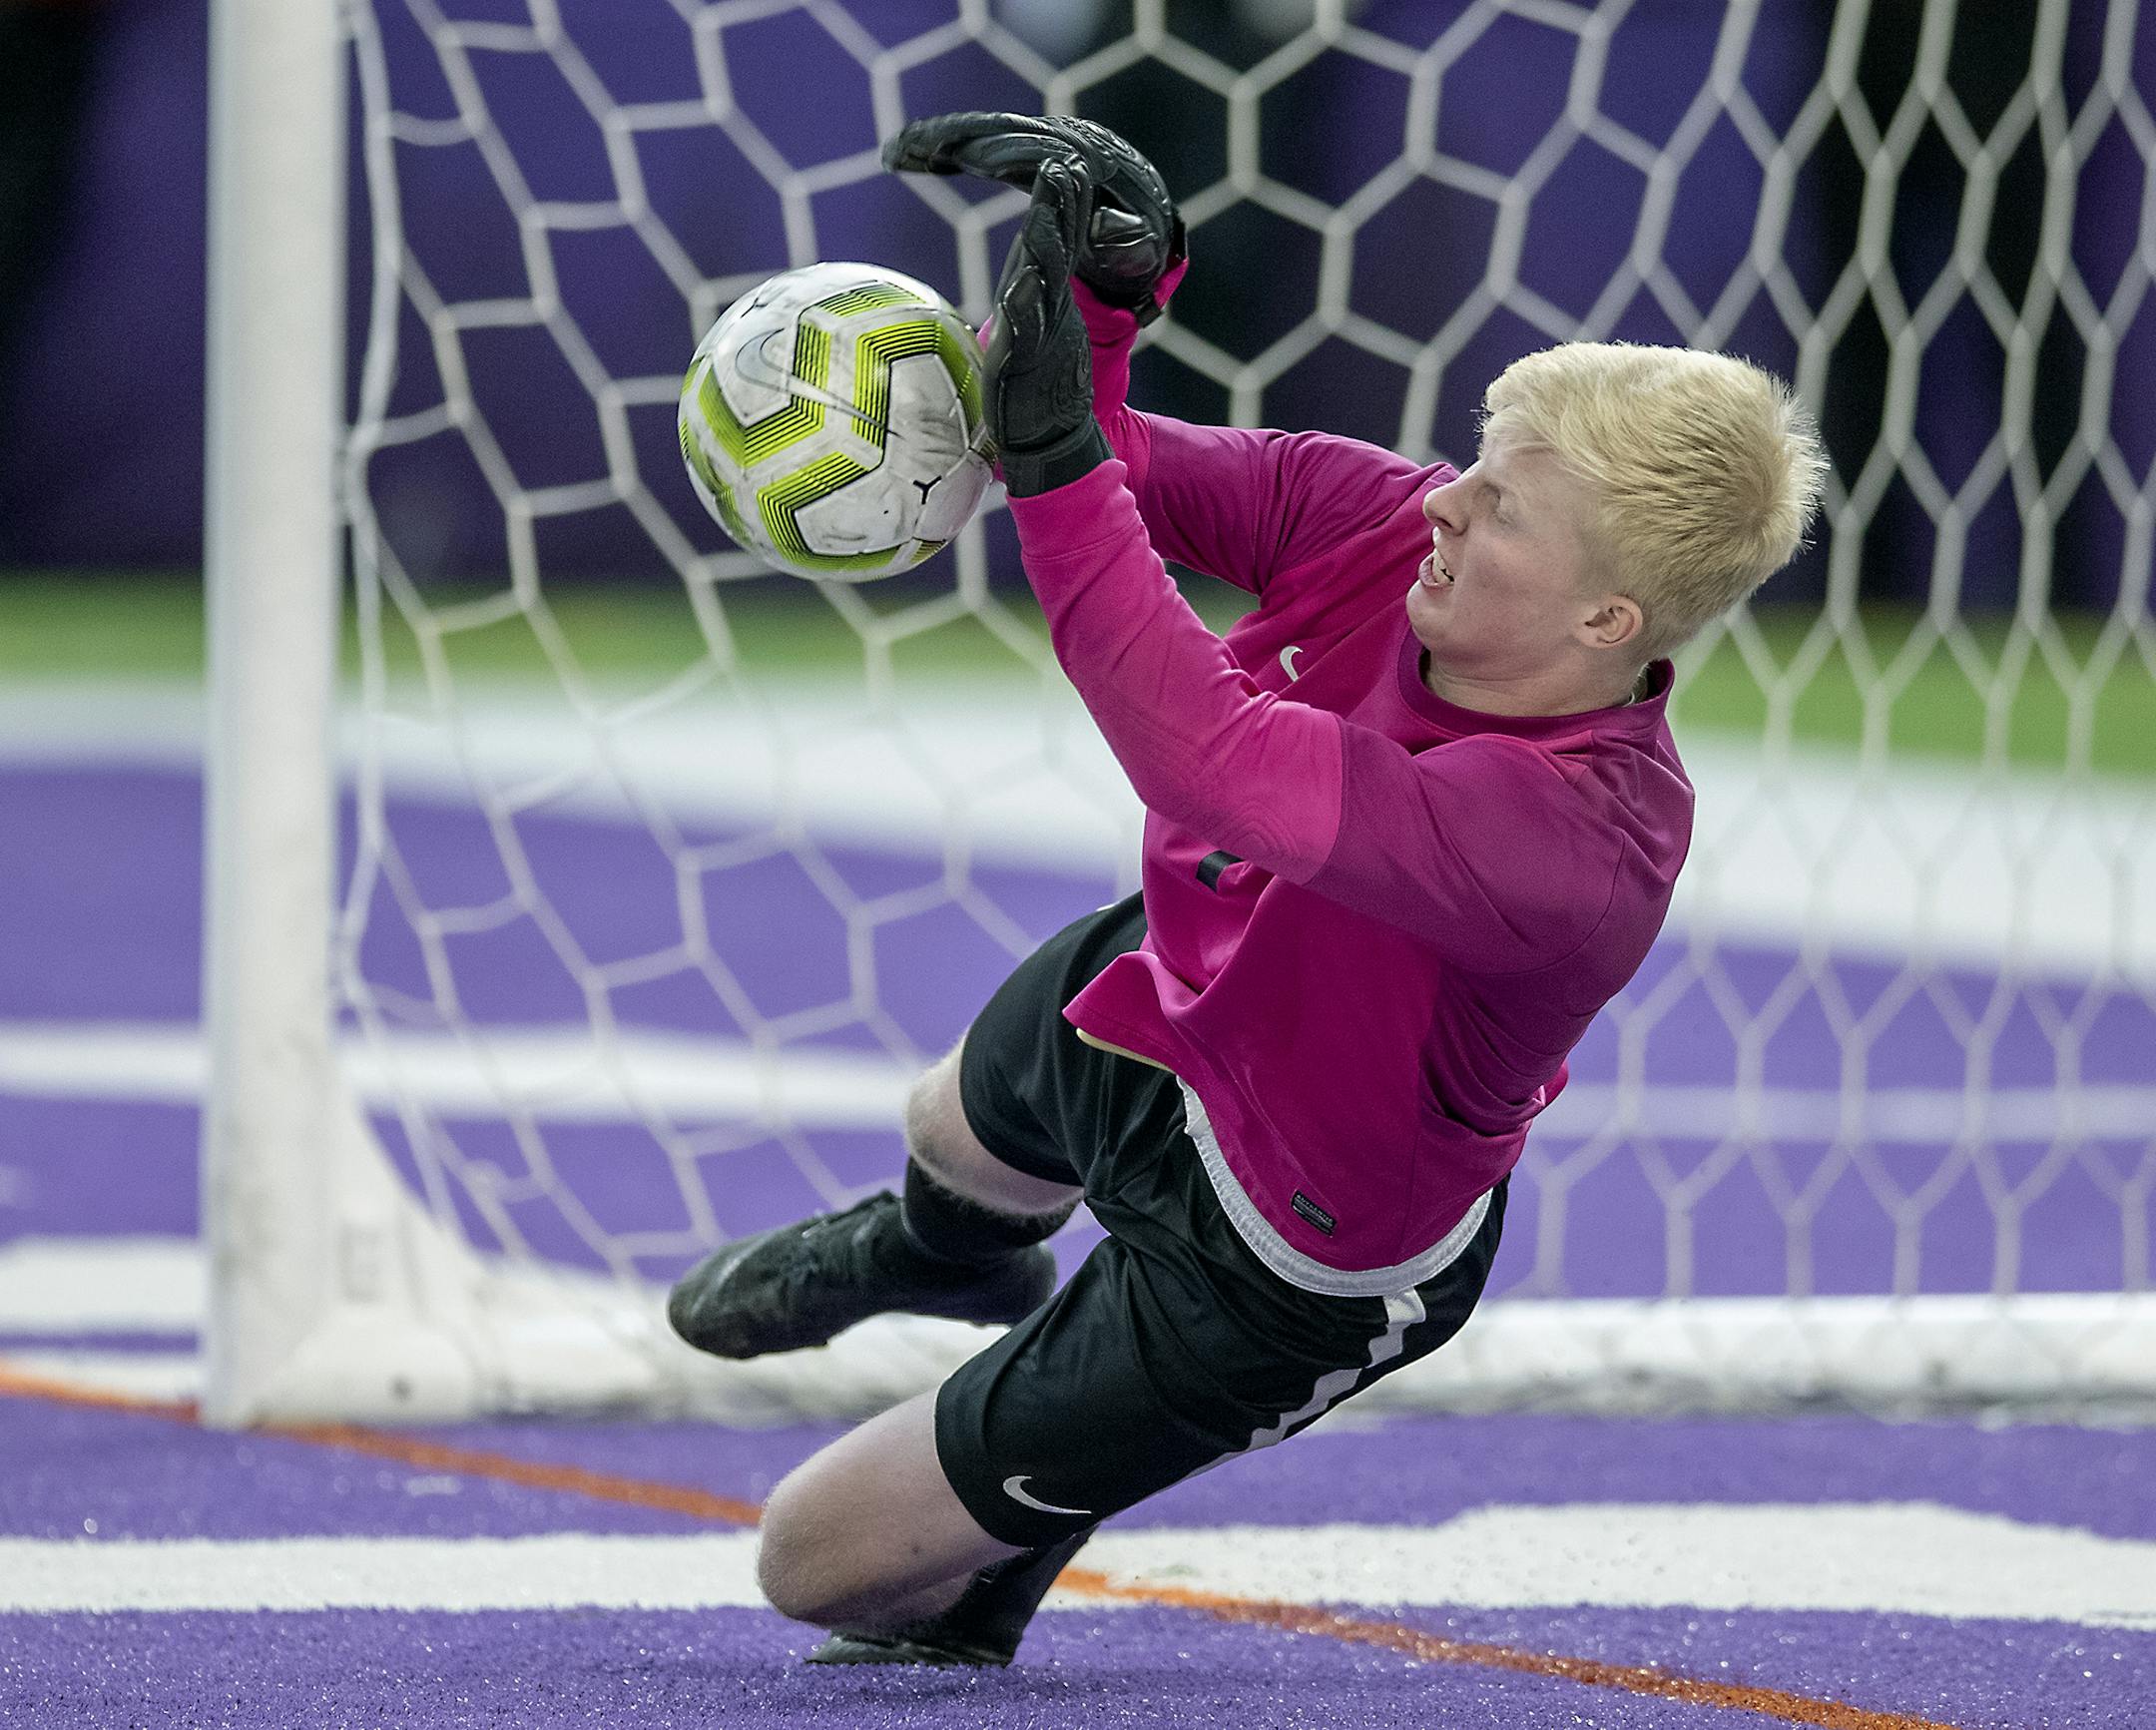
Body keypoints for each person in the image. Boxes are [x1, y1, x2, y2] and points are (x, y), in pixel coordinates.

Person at [667, 113, 1829, 1667]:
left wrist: (1065, 450)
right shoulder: (1391, 520)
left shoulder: (1577, 842)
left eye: (1502, 514)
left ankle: (1026, 1508)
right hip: (1192, 994)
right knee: (948, 1123)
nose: (1447, 506)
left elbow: (1209, 757)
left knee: (808, 1562)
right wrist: (1095, 308)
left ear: (1613, 614)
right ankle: (949, 1255)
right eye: (1476, 471)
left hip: (1287, 1259)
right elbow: (1117, 465)